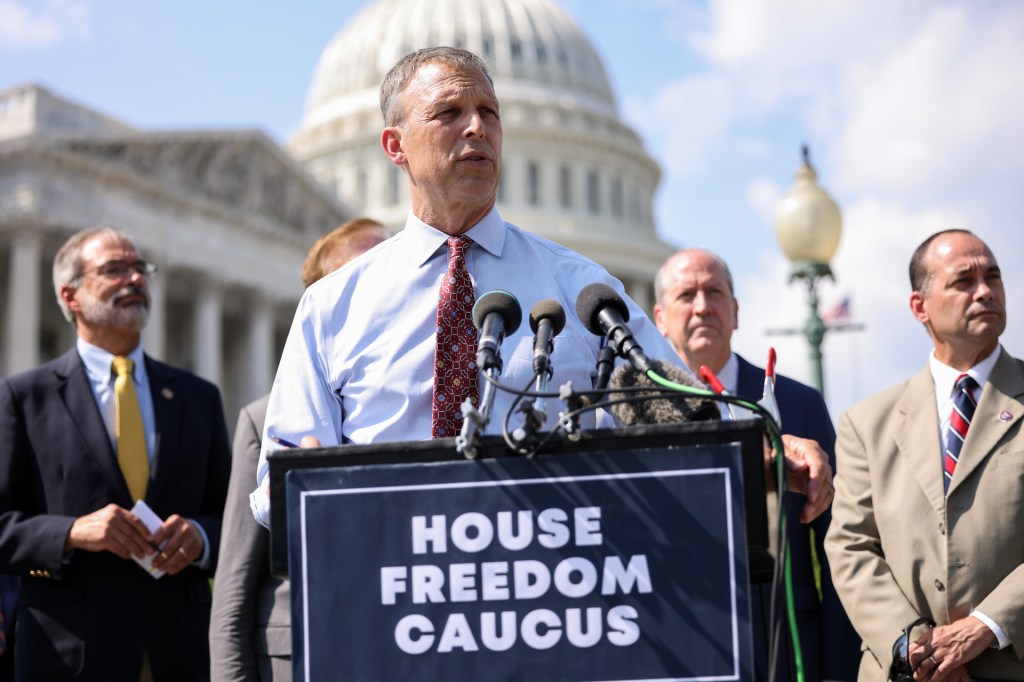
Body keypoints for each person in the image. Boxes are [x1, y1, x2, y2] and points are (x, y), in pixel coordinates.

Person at [250, 47, 832, 534]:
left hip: (548, 601)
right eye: (448, 112)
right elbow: (276, 489)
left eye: (489, 112)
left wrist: (766, 449)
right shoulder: (333, 308)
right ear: (395, 147)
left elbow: (678, 417)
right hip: (390, 600)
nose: (477, 126)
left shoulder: (586, 295)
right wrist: (312, 479)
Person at [0, 226, 231, 681]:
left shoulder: (197, 398)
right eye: (113, 270)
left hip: (179, 650)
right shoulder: (24, 397)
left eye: (140, 268)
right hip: (69, 653)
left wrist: (201, 537)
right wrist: (71, 532)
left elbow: (232, 517)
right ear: (71, 296)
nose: (135, 279)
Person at [825, 229, 1024, 681]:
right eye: (964, 281)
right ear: (920, 307)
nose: (986, 291)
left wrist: (986, 627)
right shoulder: (865, 423)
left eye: (993, 277)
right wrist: (914, 649)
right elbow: (850, 546)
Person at [654, 248, 860, 681]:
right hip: (678, 649)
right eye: (686, 295)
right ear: (659, 317)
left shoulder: (799, 404)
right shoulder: (632, 414)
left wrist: (839, 668)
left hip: (785, 648)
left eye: (714, 292)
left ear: (736, 311)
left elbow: (840, 546)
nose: (702, 306)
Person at [210, 218, 389, 682]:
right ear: (321, 302)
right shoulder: (264, 417)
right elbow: (234, 588)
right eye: (362, 274)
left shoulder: (441, 400)